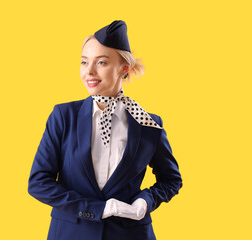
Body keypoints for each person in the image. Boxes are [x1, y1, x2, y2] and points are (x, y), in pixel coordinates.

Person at [28, 20, 182, 240]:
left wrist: (145, 201)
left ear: (124, 68)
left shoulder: (148, 123)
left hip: (130, 234)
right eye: (83, 62)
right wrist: (100, 208)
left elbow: (171, 179)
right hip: (71, 233)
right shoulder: (63, 116)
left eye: (101, 62)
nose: (89, 71)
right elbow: (38, 183)